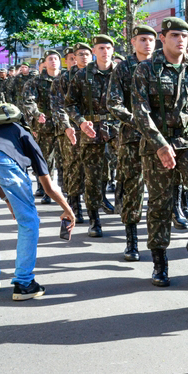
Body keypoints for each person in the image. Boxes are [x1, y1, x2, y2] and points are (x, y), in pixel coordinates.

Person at [132, 17, 188, 289]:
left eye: (184, 35)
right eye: (174, 35)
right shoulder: (146, 69)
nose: (180, 40)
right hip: (156, 146)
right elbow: (140, 111)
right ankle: (160, 263)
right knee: (160, 205)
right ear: (163, 38)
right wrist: (160, 144)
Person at [0, 104, 75, 299]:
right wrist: (68, 209)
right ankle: (24, 283)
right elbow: (48, 187)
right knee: (29, 222)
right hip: (6, 163)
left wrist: (8, 199)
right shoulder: (22, 133)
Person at [107, 24, 157, 262]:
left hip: (160, 139)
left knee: (160, 191)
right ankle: (132, 241)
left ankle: (159, 243)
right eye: (143, 40)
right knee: (133, 189)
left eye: (151, 40)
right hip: (132, 138)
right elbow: (113, 102)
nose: (147, 44)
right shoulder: (123, 68)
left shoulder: (161, 66)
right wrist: (137, 120)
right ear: (133, 42)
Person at [65, 34, 116, 238]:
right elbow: (70, 104)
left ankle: (120, 203)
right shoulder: (82, 75)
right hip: (91, 131)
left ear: (113, 51)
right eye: (100, 48)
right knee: (93, 176)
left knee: (123, 170)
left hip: (117, 129)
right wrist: (80, 121)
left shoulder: (121, 73)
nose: (104, 52)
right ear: (94, 52)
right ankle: (95, 220)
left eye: (108, 48)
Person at [52, 43, 89, 224]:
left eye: (86, 54)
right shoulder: (64, 78)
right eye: (78, 55)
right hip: (71, 129)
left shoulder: (96, 76)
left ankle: (94, 205)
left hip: (92, 129)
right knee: (74, 167)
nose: (82, 58)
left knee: (94, 169)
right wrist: (67, 126)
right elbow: (59, 106)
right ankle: (75, 205)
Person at [23, 50, 63, 206]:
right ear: (45, 63)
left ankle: (65, 189)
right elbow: (29, 101)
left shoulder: (66, 79)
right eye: (50, 59)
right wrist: (36, 114)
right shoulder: (35, 81)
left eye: (56, 59)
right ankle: (46, 190)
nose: (53, 61)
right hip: (44, 125)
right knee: (45, 159)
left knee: (64, 159)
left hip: (64, 125)